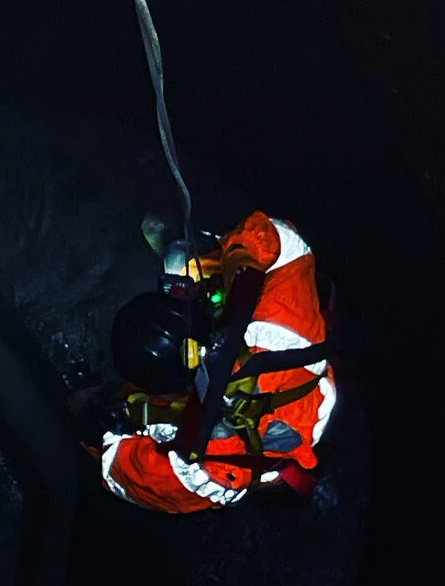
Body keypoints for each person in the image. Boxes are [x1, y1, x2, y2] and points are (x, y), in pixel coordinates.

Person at [98, 210, 337, 516]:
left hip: (276, 456)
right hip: (313, 396)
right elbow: (282, 239)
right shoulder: (280, 324)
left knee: (109, 408)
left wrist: (111, 429)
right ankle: (208, 256)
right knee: (204, 262)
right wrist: (239, 260)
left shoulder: (195, 462)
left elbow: (121, 470)